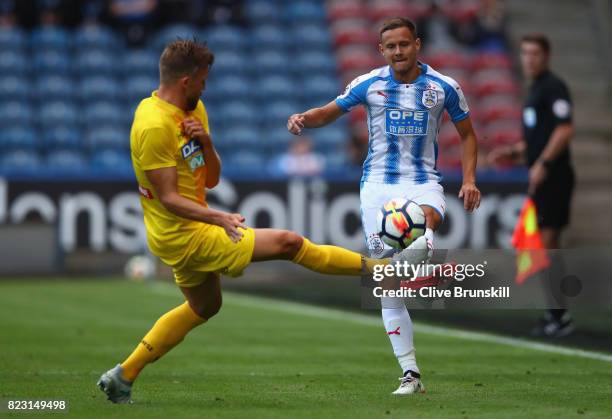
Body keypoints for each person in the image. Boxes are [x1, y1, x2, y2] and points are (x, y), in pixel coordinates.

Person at [97, 39, 426, 404]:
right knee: (289, 242)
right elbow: (169, 199)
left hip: (186, 230)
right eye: (203, 80)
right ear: (187, 80)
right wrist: (219, 217)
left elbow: (211, 179)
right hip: (183, 234)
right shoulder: (153, 125)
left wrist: (206, 143)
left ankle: (123, 375)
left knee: (204, 307)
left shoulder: (192, 111)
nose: (206, 87)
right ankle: (380, 270)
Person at [287, 17, 481, 395]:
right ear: (381, 50)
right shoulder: (369, 84)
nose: (397, 51)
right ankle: (411, 374)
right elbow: (331, 110)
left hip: (423, 182)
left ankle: (413, 265)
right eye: (390, 46)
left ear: (417, 45)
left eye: (404, 44)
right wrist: (304, 119)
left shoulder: (443, 87)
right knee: (388, 288)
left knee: (425, 231)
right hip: (377, 187)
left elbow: (468, 134)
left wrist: (470, 179)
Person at [489, 33, 575, 337]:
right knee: (541, 245)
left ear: (546, 56)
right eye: (524, 53)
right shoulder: (535, 89)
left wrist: (544, 163)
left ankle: (559, 316)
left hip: (555, 178)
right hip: (543, 177)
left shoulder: (553, 87)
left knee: (548, 245)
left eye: (534, 53)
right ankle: (555, 313)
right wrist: (514, 152)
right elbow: (539, 136)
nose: (528, 59)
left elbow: (564, 129)